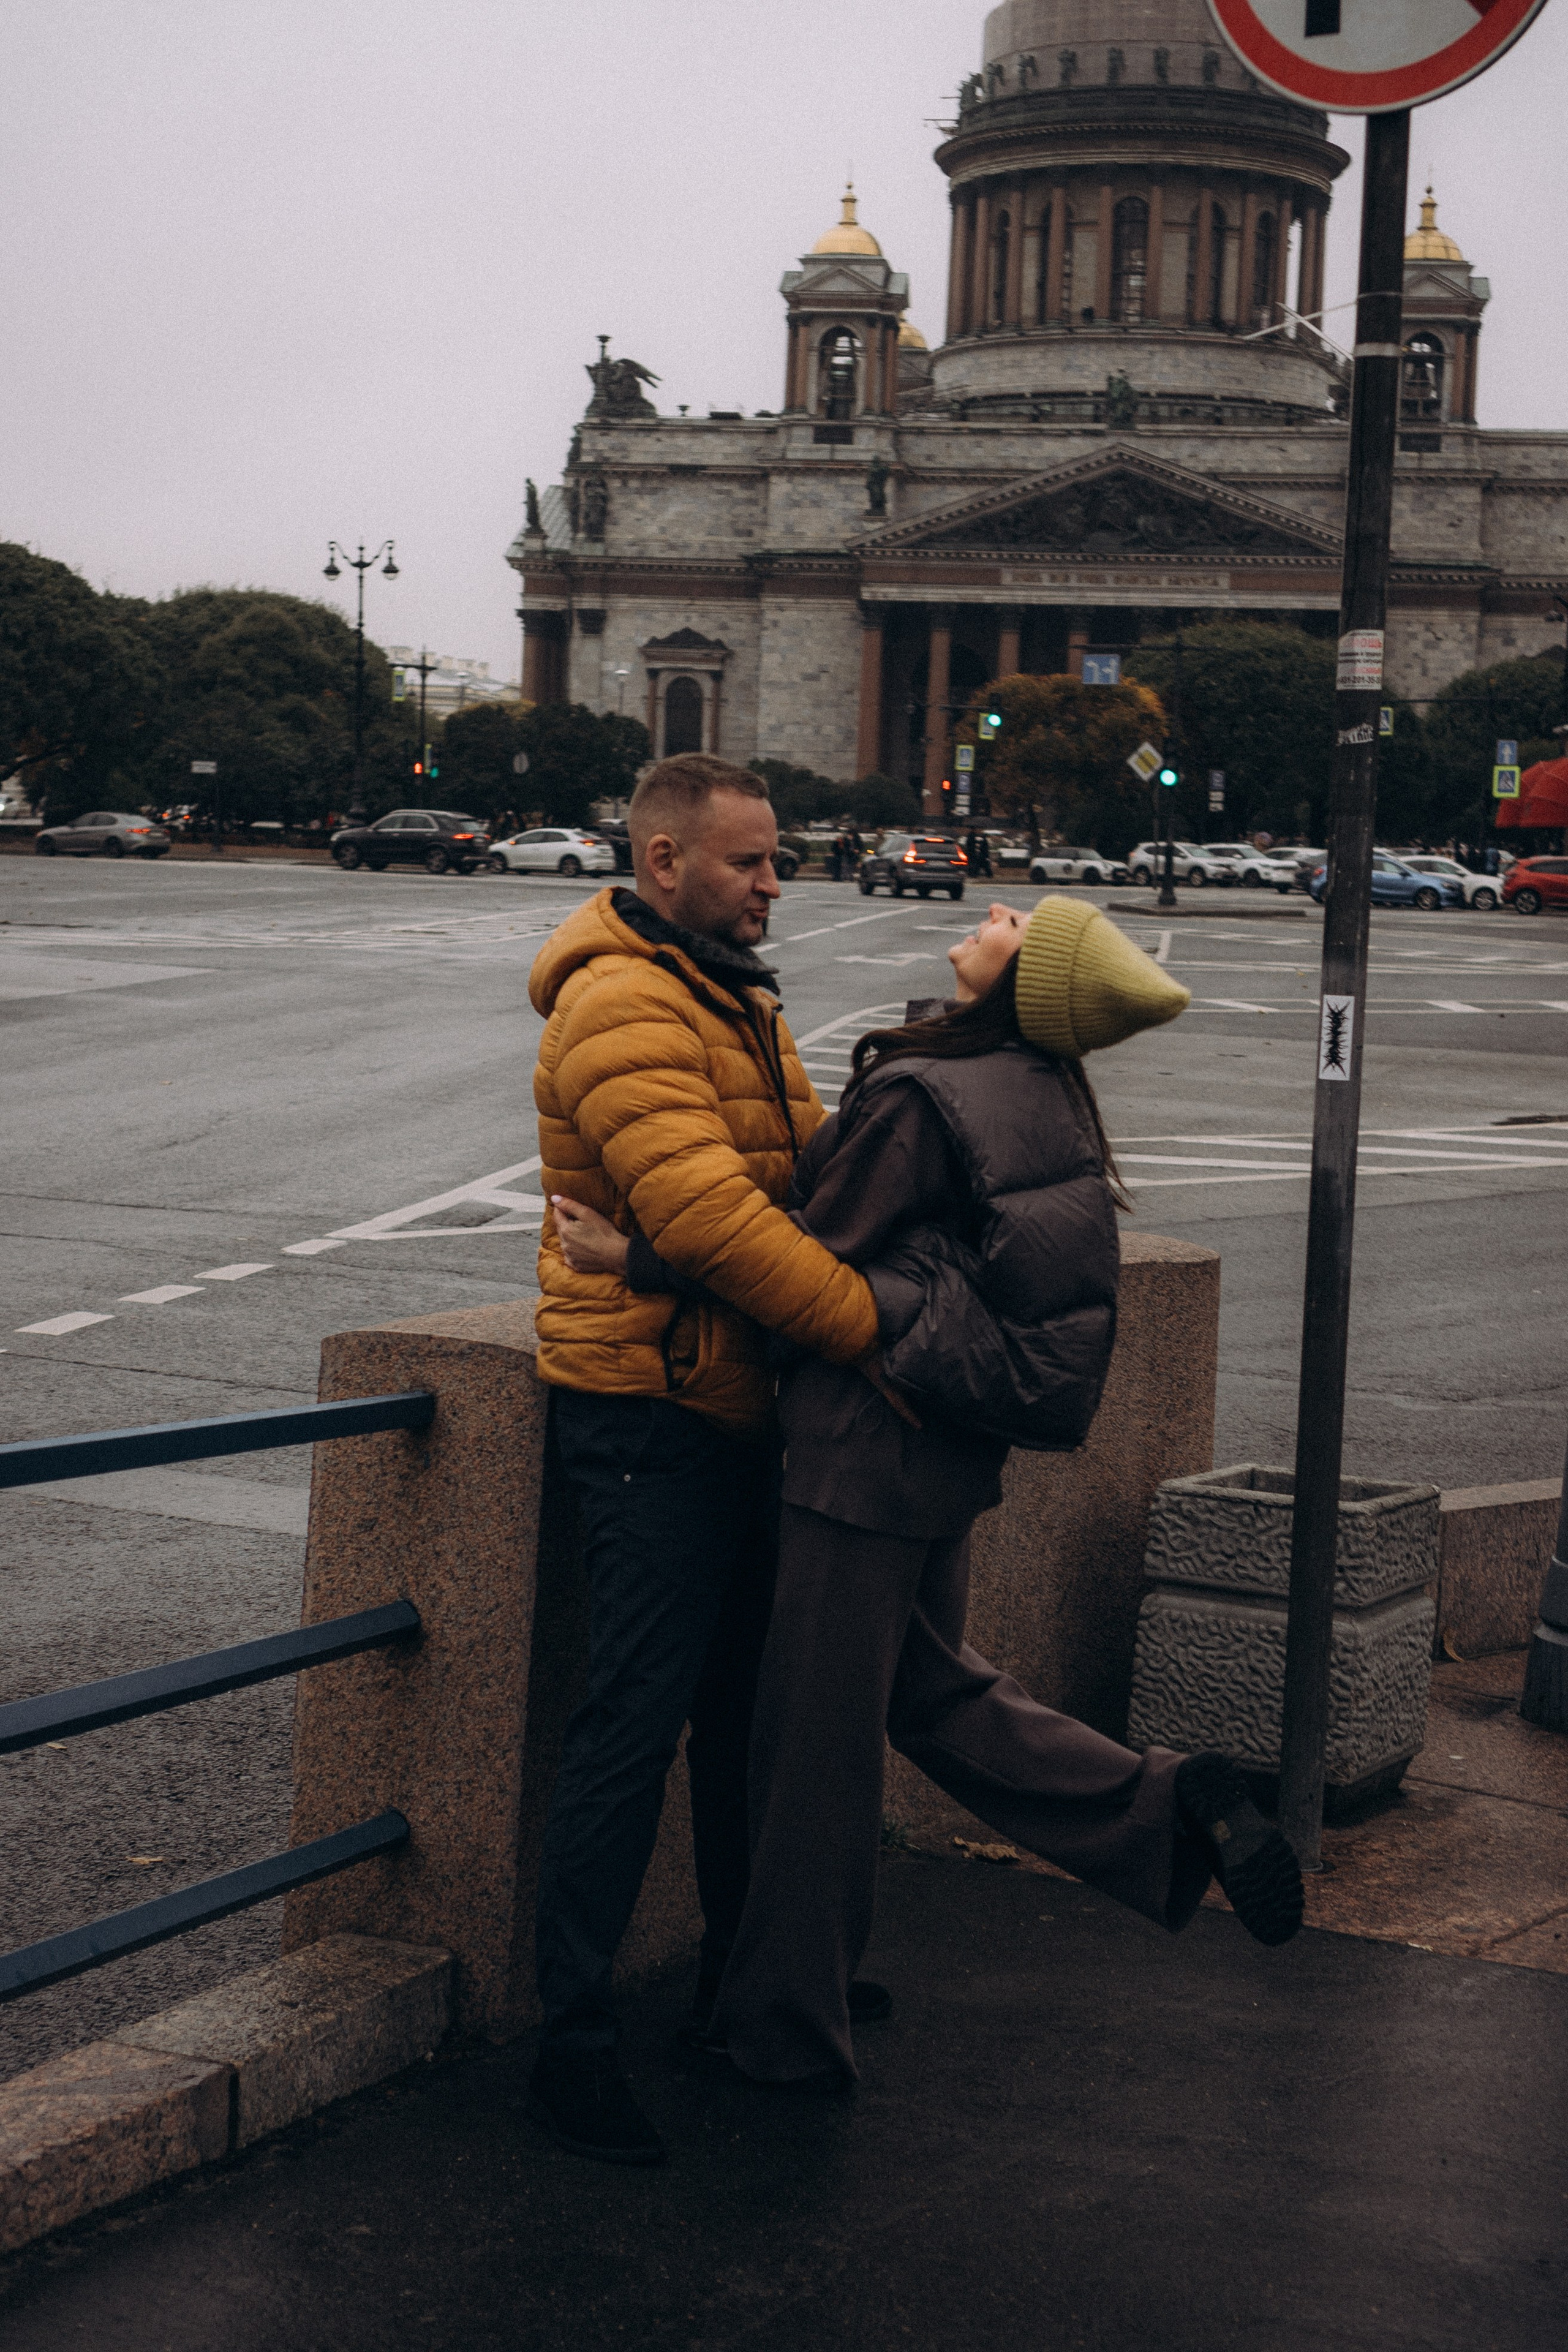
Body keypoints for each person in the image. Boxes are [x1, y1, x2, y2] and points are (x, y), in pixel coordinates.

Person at [557, 897, 1305, 2090]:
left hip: (863, 1446)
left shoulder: (925, 1095)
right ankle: (1167, 1809)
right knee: (933, 1697)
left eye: (1020, 923)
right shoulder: (1038, 1087)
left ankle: (783, 2036)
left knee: (810, 1755)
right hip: (943, 1451)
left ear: (1025, 982)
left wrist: (630, 1259)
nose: (992, 909)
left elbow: (803, 1250)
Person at [524, 751, 879, 2165]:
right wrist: (870, 1332)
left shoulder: (728, 995)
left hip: (730, 1405)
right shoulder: (620, 1003)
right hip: (651, 1423)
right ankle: (573, 2040)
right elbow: (733, 1227)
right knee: (631, 1724)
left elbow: (802, 1178)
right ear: (664, 863)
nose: (774, 885)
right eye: (750, 863)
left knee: (742, 1720)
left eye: (776, 862)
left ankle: (743, 1990)